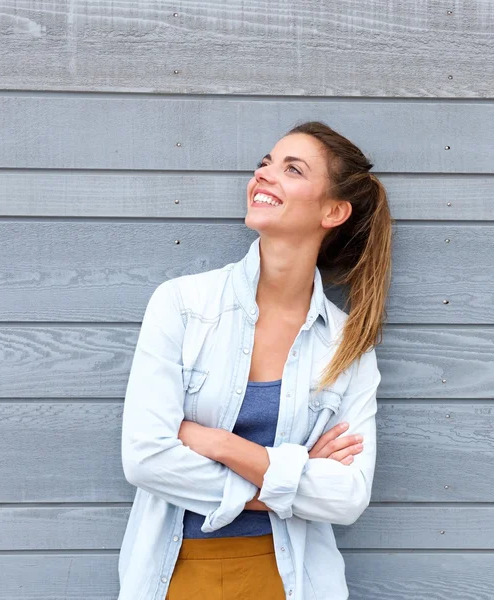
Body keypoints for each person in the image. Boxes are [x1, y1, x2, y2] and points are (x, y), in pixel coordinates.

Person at [118, 120, 393, 599]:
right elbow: (145, 459)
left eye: (292, 169)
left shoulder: (348, 345)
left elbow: (347, 497)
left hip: (291, 580)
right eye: (265, 163)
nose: (264, 174)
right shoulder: (182, 305)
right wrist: (294, 476)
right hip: (177, 573)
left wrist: (220, 444)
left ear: (333, 210)